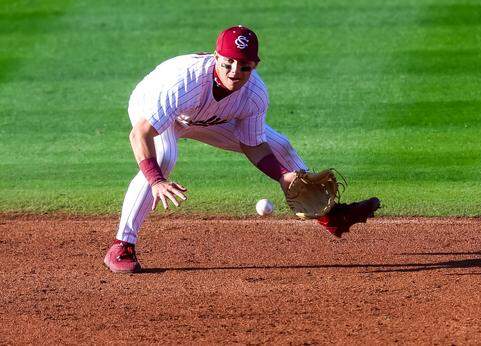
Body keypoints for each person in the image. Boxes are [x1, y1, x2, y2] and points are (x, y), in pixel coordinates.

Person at [103, 25, 380, 273]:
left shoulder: (255, 95)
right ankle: (122, 245)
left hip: (205, 118)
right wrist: (156, 180)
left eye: (244, 67)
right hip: (156, 113)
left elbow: (254, 145)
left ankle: (330, 215)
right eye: (228, 63)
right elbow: (139, 133)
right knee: (164, 156)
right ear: (216, 57)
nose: (235, 72)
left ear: (255, 65)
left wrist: (283, 176)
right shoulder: (184, 81)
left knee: (279, 144)